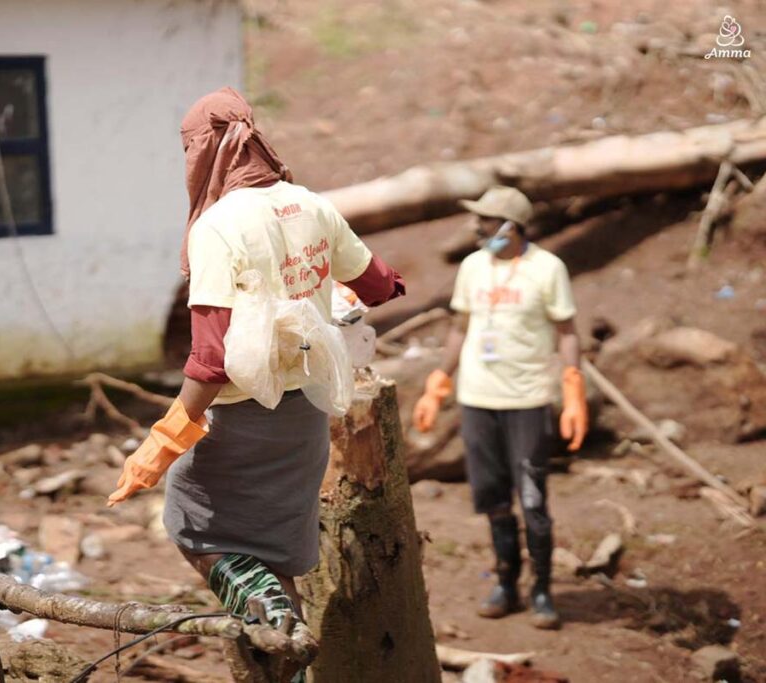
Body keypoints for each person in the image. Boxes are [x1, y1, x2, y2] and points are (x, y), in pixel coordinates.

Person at [107, 88, 405, 654]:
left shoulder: (219, 227)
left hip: (239, 418)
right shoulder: (312, 204)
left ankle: (266, 610)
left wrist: (165, 438)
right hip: (305, 415)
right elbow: (381, 285)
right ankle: (285, 653)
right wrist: (312, 286)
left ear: (208, 149)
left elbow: (212, 361)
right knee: (273, 555)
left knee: (194, 527)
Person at [413, 186, 587, 630]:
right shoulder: (473, 267)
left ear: (510, 226)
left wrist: (571, 385)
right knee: (492, 499)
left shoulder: (547, 269)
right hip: (478, 400)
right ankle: (506, 583)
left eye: (485, 220)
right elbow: (460, 326)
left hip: (526, 400)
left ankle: (543, 589)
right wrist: (440, 382)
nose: (476, 227)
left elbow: (566, 330)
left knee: (532, 500)